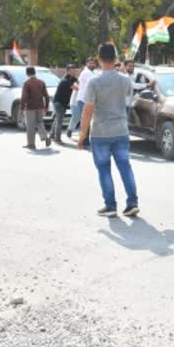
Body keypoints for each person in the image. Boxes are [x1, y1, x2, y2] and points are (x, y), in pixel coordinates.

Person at [78, 44, 139, 218]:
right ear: (116, 59)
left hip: (101, 132)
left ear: (98, 59)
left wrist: (82, 135)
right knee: (125, 167)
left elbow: (88, 110)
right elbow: (128, 95)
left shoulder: (94, 82)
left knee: (104, 169)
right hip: (121, 130)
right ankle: (132, 203)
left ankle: (110, 206)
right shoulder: (125, 80)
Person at [21, 66, 51, 149]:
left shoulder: (27, 83)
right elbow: (46, 96)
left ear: (27, 73)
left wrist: (22, 107)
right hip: (40, 106)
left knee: (30, 125)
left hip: (30, 107)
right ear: (34, 72)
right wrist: (46, 106)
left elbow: (24, 97)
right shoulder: (41, 82)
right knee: (40, 122)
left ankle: (31, 144)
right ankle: (46, 137)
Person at [67, 57, 96, 139]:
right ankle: (82, 139)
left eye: (93, 63)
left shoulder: (91, 72)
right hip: (81, 100)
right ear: (86, 64)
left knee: (85, 120)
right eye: (90, 63)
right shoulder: (87, 73)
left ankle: (84, 139)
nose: (92, 64)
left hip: (84, 99)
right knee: (80, 118)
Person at [51, 64, 78, 144]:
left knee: (57, 119)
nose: (74, 72)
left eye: (74, 70)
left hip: (61, 102)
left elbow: (78, 81)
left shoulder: (71, 78)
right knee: (59, 120)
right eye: (72, 70)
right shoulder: (66, 80)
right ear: (68, 71)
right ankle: (57, 138)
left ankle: (52, 135)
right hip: (59, 103)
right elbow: (77, 89)